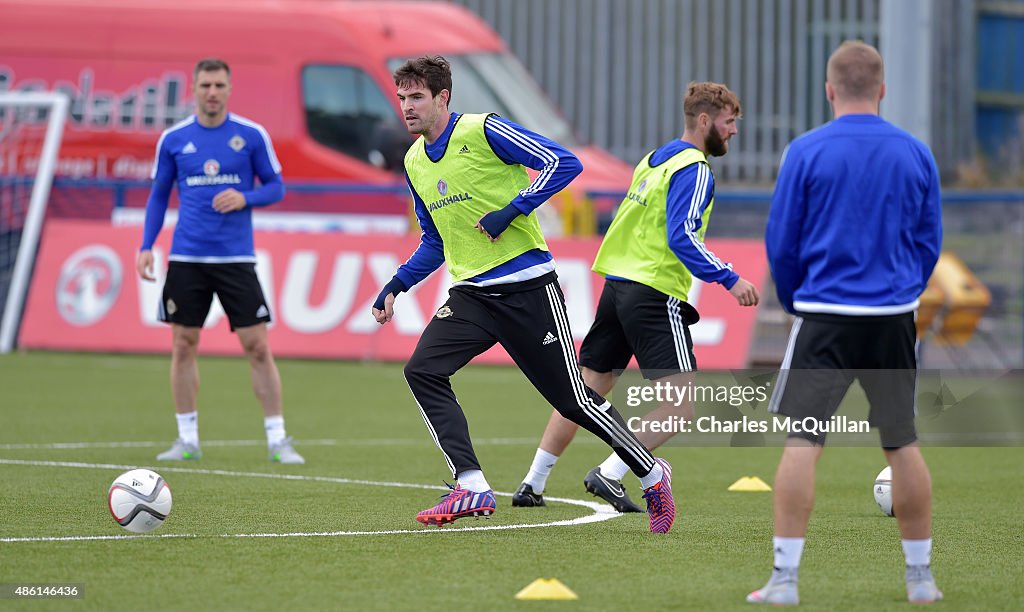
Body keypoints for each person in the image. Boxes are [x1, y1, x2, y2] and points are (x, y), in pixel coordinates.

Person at [373, 55, 674, 531]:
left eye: (416, 97)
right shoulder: (414, 162)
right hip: (472, 295)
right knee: (423, 370)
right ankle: (470, 485)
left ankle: (653, 473)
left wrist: (511, 210)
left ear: (442, 98)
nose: (406, 107)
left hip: (529, 289)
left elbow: (564, 162)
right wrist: (397, 284)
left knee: (575, 401)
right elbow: (435, 240)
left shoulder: (483, 130)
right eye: (402, 97)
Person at [747, 40, 942, 605]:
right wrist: (903, 290)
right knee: (901, 442)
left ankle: (784, 581)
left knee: (803, 440)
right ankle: (920, 579)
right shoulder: (915, 152)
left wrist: (794, 298)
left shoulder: (805, 151)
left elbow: (782, 241)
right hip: (891, 316)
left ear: (830, 90)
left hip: (825, 314)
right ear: (881, 89)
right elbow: (929, 242)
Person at [511, 82, 759, 512]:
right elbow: (682, 237)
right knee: (679, 409)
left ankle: (532, 483)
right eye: (730, 121)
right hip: (653, 289)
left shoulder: (653, 160)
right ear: (705, 121)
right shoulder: (695, 169)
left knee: (583, 392)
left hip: (618, 286)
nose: (735, 131)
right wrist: (729, 277)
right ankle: (610, 472)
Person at [137, 58, 304, 465]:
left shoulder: (250, 136)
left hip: (236, 259)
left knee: (257, 347)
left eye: (219, 85)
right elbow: (159, 194)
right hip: (186, 257)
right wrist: (146, 245)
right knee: (183, 345)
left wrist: (245, 197)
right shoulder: (174, 139)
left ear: (229, 89)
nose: (212, 92)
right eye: (205, 85)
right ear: (194, 89)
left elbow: (277, 188)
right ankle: (187, 439)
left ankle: (278, 439)